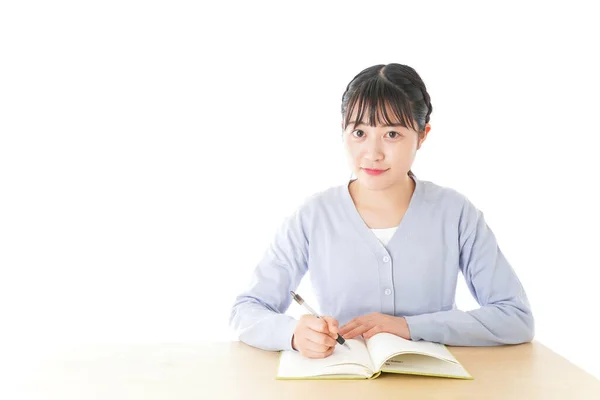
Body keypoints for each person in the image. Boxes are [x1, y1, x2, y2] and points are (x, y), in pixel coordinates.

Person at [229, 63, 535, 359]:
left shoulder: (455, 213)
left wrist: (410, 327)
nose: (372, 153)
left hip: (435, 385)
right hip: (342, 383)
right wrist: (294, 334)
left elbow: (515, 317)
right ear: (343, 131)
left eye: (392, 134)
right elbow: (246, 310)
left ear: (422, 134)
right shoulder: (313, 216)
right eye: (359, 133)